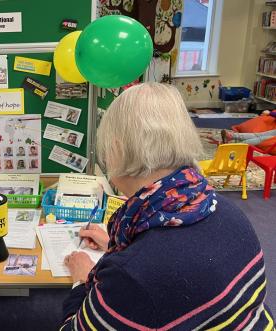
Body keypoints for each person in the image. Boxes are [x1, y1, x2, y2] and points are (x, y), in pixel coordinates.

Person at [61, 83, 273, 330]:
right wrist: (118, 247)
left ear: (116, 147)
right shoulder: (229, 212)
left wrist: (82, 279)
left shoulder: (134, 275)